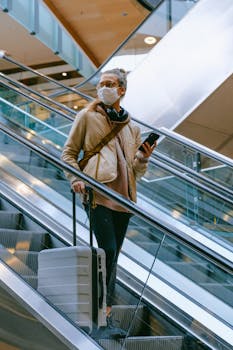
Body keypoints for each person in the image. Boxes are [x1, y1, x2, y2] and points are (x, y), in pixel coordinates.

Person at [61, 68, 156, 338]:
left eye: (110, 84)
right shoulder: (87, 116)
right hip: (97, 192)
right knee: (107, 252)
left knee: (111, 259)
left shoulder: (132, 127)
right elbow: (68, 153)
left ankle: (105, 317)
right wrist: (75, 179)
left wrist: (144, 157)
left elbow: (136, 169)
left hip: (123, 199)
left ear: (122, 90)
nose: (104, 88)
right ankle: (98, 318)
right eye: (101, 84)